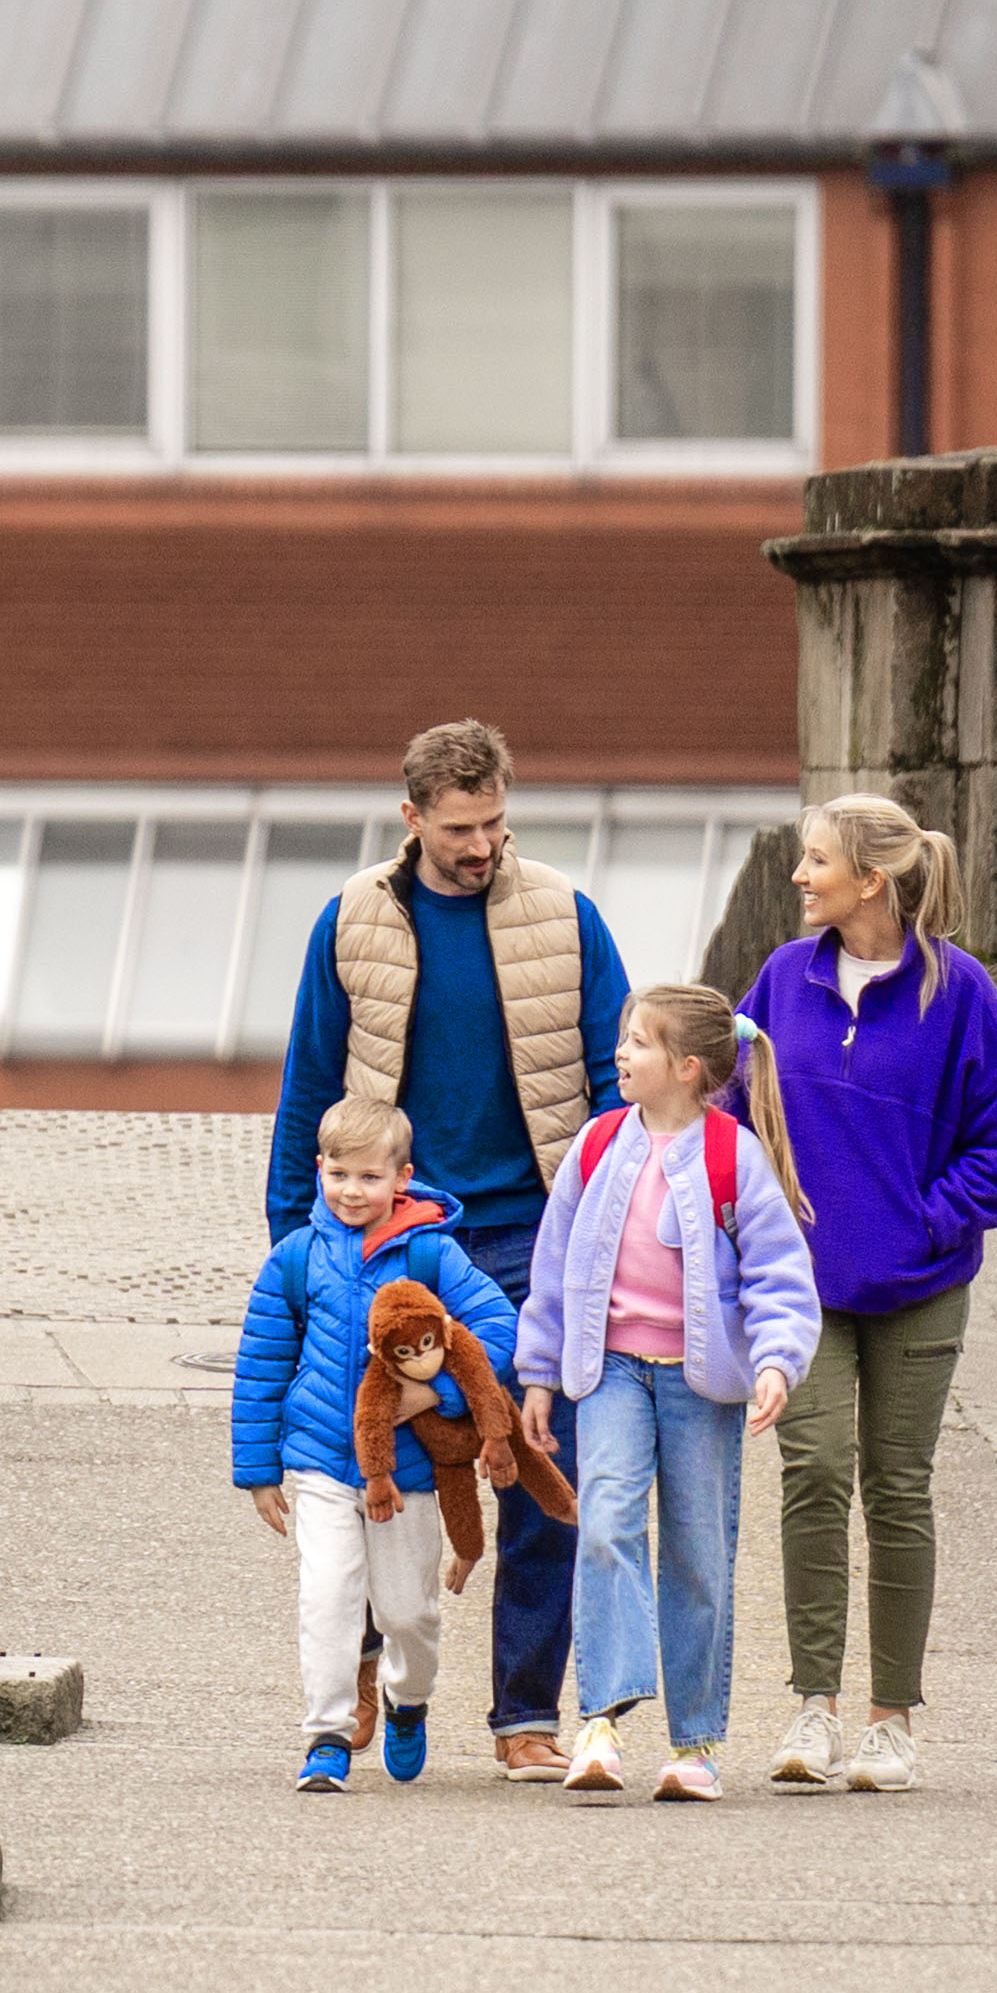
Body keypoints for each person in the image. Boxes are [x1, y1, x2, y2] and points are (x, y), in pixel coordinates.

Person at [271, 722, 630, 1779]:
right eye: (460, 828)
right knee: (381, 1461)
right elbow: (309, 1089)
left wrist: (606, 1228)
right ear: (412, 818)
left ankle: (523, 1713)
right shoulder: (350, 921)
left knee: (535, 1460)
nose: (480, 847)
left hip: (536, 1232)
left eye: (494, 824)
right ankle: (379, 1669)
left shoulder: (564, 916)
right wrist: (298, 1247)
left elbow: (614, 1086)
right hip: (391, 1241)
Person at [737, 790, 997, 1792]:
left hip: (918, 1287)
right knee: (811, 1471)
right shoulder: (780, 981)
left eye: (814, 860)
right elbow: (727, 1112)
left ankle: (890, 1720)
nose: (798, 876)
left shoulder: (958, 995)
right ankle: (811, 1707)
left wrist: (922, 1222)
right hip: (800, 1291)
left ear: (869, 879)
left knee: (896, 1490)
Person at [512, 982, 818, 1805]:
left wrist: (775, 1364)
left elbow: (780, 1276)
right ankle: (603, 1720)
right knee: (607, 1517)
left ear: (686, 1068)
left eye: (638, 1044)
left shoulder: (733, 1157)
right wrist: (538, 1374)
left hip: (699, 1385)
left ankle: (696, 1743)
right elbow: (555, 1267)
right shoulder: (597, 1143)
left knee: (696, 1549)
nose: (620, 1055)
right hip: (609, 1370)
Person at [232, 1090, 518, 1795]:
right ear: (319, 1168)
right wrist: (258, 1468)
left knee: (406, 1613)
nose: (351, 1190)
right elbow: (263, 1358)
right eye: (337, 1173)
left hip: (411, 1471)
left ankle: (406, 1699)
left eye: (368, 1176)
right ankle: (326, 1734)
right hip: (325, 1461)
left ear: (402, 1176)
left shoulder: (431, 1252)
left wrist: (437, 1395)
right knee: (328, 1593)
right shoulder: (297, 1259)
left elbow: (500, 1331)